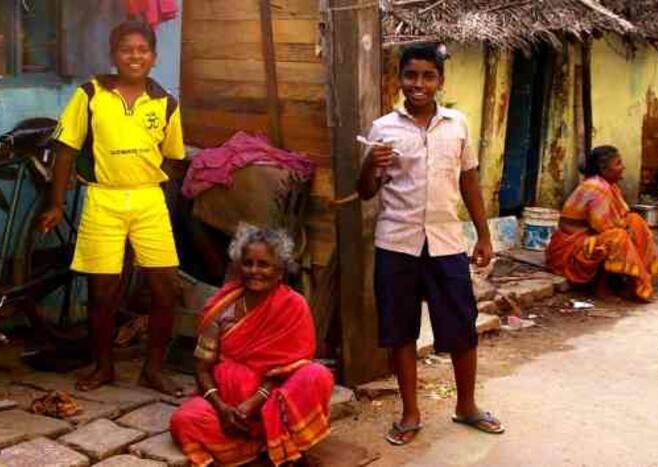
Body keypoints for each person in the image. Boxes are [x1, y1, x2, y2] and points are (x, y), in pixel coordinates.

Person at [357, 43, 505, 446]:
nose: (418, 84)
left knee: (461, 327)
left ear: (440, 80)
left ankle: (467, 406)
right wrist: (370, 164)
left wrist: (484, 235)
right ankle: (410, 413)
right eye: (410, 75)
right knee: (400, 330)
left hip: (446, 242)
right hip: (396, 243)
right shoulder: (382, 128)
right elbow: (365, 191)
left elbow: (469, 180)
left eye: (427, 76)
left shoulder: (457, 125)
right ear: (399, 79)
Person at [38, 20, 185, 395]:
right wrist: (56, 203)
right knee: (102, 291)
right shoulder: (90, 95)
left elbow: (172, 157)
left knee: (165, 288)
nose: (135, 56)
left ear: (154, 57)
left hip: (149, 199)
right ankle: (103, 367)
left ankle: (153, 369)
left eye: (142, 50)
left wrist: (153, 191)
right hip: (103, 199)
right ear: (113, 55)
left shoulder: (166, 103)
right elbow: (66, 149)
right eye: (126, 50)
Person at [170, 225, 334, 467]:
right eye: (248, 263)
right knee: (183, 420)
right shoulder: (221, 307)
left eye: (263, 264)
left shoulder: (293, 306)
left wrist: (253, 403)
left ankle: (280, 442)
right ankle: (264, 447)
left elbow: (288, 368)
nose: (254, 271)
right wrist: (222, 408)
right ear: (239, 266)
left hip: (271, 400)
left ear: (280, 270)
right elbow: (202, 368)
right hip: (228, 403)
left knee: (316, 375)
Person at [546, 145, 658, 301]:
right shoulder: (597, 188)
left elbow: (622, 216)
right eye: (618, 163)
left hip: (587, 238)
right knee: (617, 237)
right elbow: (602, 227)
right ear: (604, 169)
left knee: (635, 221)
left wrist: (627, 227)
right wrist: (625, 229)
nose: (623, 167)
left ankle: (633, 277)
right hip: (570, 249)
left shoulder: (608, 185)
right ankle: (603, 287)